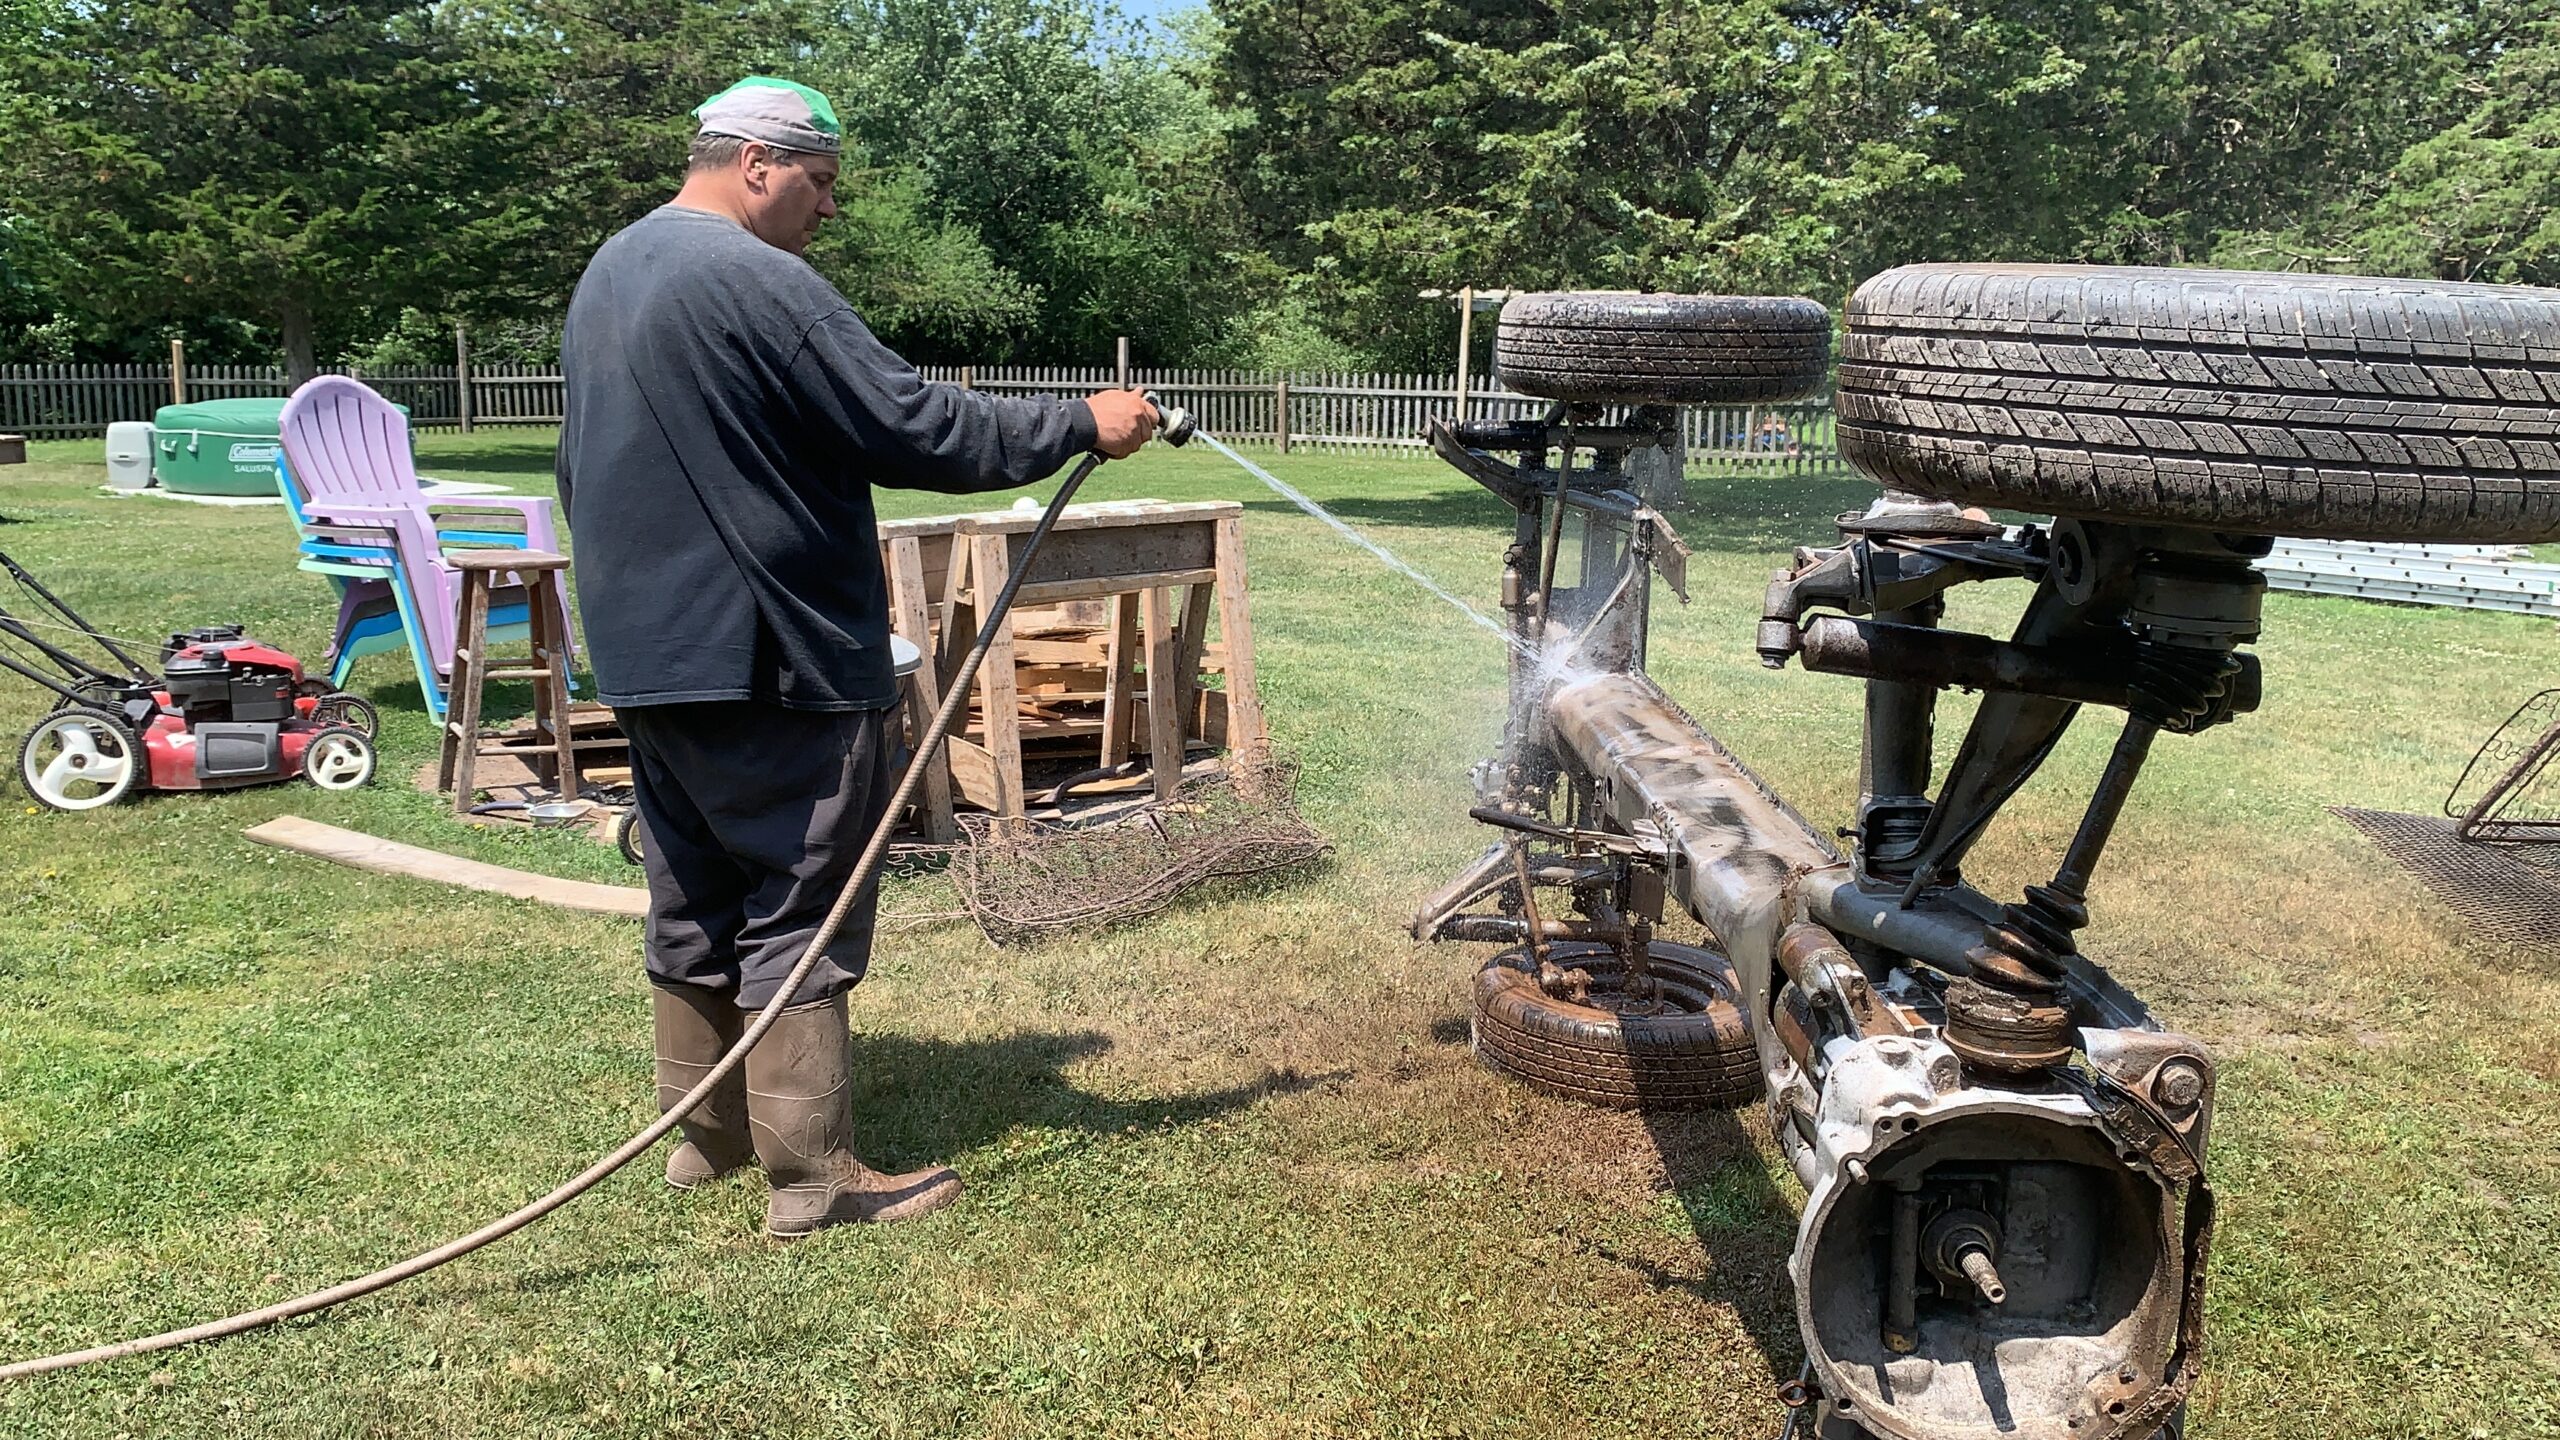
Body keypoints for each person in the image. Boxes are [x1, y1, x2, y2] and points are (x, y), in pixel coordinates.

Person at [555, 76, 1160, 1239]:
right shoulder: (758, 280)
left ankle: (708, 1142)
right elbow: (916, 424)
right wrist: (1081, 425)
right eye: (821, 184)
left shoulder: (612, 270)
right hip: (770, 651)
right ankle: (815, 1182)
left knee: (692, 895)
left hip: (648, 652)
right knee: (802, 901)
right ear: (755, 164)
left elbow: (579, 467)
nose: (826, 210)